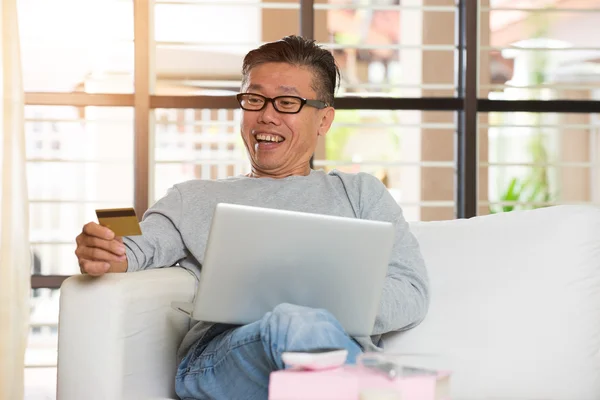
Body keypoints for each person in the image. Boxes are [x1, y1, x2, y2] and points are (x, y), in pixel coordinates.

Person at [75, 35, 429, 400]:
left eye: (287, 102)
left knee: (302, 323)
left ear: (324, 120)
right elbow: (135, 244)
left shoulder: (360, 193)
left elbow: (411, 290)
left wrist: (322, 310)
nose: (266, 115)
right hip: (222, 358)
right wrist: (106, 247)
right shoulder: (192, 196)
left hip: (332, 349)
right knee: (293, 321)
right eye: (254, 99)